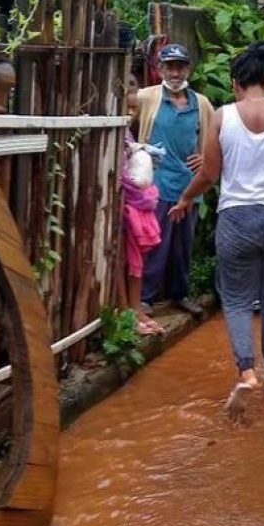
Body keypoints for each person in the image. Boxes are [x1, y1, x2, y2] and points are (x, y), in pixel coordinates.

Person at [169, 41, 264, 419]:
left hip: (236, 219)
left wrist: (185, 199)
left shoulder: (221, 116)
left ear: (236, 82)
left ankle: (247, 373)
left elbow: (209, 174)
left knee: (235, 301)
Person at [134, 43, 215, 319]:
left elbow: (216, 137)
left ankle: (180, 294)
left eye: (180, 66)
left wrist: (205, 156)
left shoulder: (201, 103)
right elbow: (124, 123)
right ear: (160, 69)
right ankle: (146, 298)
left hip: (188, 185)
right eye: (170, 66)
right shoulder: (146, 97)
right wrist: (136, 152)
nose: (175, 72)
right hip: (157, 184)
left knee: (183, 244)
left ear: (188, 69)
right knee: (155, 241)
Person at [117, 76, 164, 335]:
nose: (130, 113)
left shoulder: (127, 132)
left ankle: (135, 308)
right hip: (123, 206)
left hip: (137, 204)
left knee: (137, 261)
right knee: (123, 261)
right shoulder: (114, 132)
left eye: (134, 109)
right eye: (128, 107)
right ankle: (127, 312)